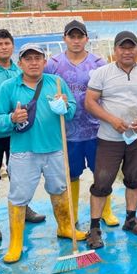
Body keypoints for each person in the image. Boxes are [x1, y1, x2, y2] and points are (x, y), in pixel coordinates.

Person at [0, 43, 85, 263]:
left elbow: (72, 111)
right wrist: (11, 119)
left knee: (59, 189)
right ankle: (16, 242)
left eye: (37, 58)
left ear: (44, 61)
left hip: (55, 149)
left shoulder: (57, 83)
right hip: (24, 152)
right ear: (20, 63)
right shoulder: (8, 87)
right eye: (28, 59)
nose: (33, 63)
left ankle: (65, 227)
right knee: (19, 196)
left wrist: (65, 107)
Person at [84, 31, 137, 249]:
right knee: (102, 182)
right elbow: (90, 102)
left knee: (135, 178)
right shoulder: (102, 73)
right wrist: (112, 120)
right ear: (115, 50)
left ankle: (131, 219)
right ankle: (94, 228)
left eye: (131, 48)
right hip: (109, 138)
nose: (127, 52)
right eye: (122, 48)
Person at [45, 20, 120, 228]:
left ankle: (105, 211)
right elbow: (44, 91)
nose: (76, 41)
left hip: (96, 130)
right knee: (71, 175)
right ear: (65, 38)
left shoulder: (99, 63)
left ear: (86, 39)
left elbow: (110, 92)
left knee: (102, 173)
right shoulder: (53, 64)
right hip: (67, 132)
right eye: (72, 37)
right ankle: (73, 213)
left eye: (80, 37)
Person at [0, 29, 45, 242]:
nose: (4, 47)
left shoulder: (19, 70)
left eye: (7, 43)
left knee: (20, 174)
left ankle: (23, 208)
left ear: (13, 46)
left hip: (18, 133)